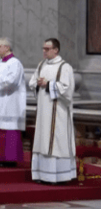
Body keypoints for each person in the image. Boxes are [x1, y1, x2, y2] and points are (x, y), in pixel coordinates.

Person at [29, 38, 76, 184]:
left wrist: (48, 84)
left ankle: (60, 176)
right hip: (44, 111)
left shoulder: (64, 67)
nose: (44, 51)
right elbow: (32, 82)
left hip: (59, 112)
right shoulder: (41, 65)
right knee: (43, 139)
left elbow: (67, 89)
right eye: (43, 48)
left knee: (57, 142)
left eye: (47, 49)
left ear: (56, 50)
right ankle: (43, 175)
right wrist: (37, 84)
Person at [0, 38, 26, 168]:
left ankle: (10, 159)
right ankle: (0, 157)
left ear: (7, 48)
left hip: (9, 103)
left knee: (8, 130)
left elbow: (12, 81)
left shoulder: (15, 63)